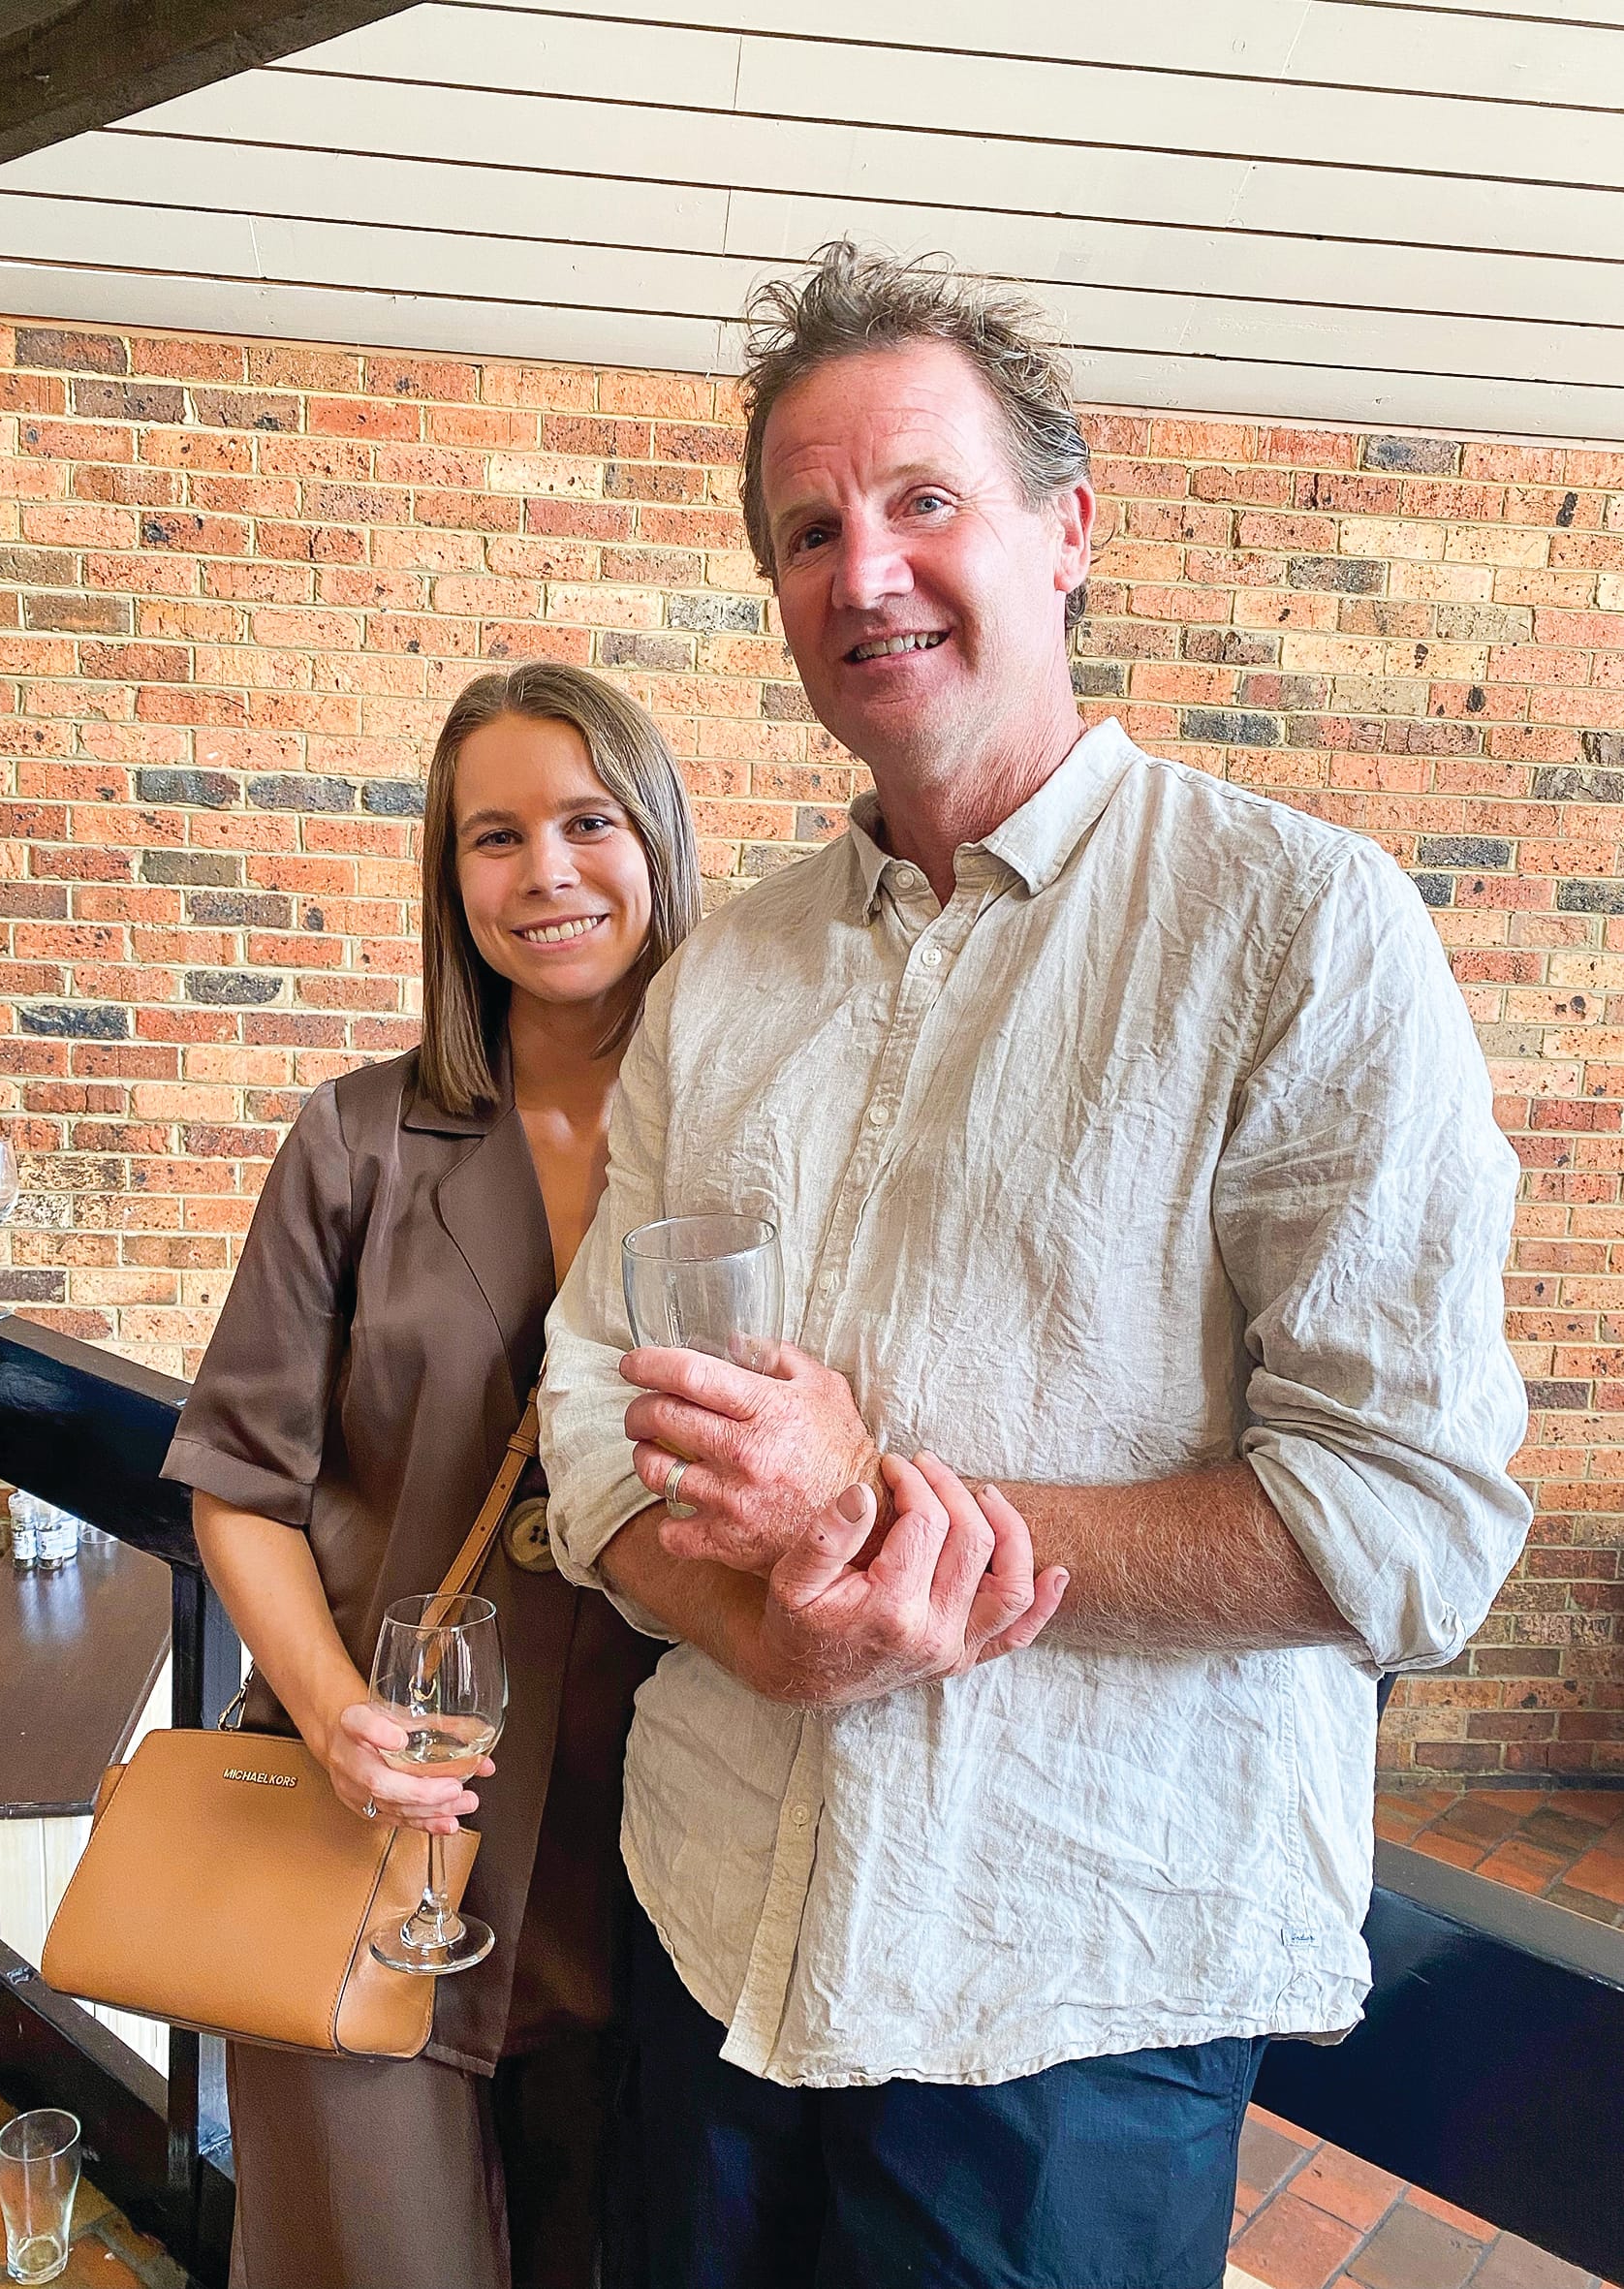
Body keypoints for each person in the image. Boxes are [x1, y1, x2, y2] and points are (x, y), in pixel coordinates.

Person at [539, 242, 1532, 2289]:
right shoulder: (723, 979)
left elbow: (1403, 1514)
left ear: (1067, 530)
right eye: (807, 530)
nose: (864, 571)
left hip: (1070, 1991)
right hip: (710, 1917)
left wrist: (871, 1513)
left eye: (923, 499)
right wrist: (760, 1629)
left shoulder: (1300, 929)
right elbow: (587, 1411)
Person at [162, 662, 704, 2289]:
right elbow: (239, 1480)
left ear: (657, 841)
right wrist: (337, 1717)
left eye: (588, 822)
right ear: (449, 875)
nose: (546, 872)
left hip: (646, 1869)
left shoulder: (744, 1151)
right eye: (496, 835)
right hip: (372, 1847)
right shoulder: (356, 1143)